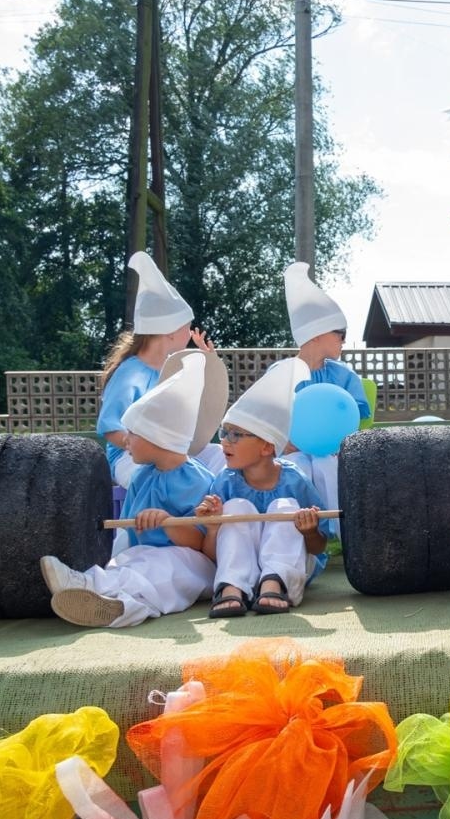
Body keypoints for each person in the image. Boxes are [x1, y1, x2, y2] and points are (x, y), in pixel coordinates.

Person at [43, 353, 216, 629]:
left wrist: (167, 523)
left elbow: (205, 546)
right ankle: (114, 603)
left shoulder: (198, 480)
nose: (125, 440)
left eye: (132, 433)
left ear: (157, 438)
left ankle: (95, 588)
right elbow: (127, 535)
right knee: (131, 562)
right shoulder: (141, 477)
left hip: (194, 565)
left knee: (163, 568)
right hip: (147, 555)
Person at [193, 359, 330, 617]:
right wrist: (212, 529)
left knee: (285, 506)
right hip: (243, 566)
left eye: (236, 435)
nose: (224, 442)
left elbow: (318, 547)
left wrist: (309, 530)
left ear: (267, 447)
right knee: (236, 507)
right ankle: (233, 586)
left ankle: (275, 582)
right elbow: (212, 553)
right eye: (224, 432)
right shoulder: (225, 481)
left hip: (292, 566)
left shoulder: (294, 480)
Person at [97, 251, 216, 487]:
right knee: (161, 476)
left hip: (175, 453)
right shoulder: (130, 374)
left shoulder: (175, 367)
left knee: (218, 457)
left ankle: (213, 520)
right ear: (170, 331)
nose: (191, 332)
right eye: (187, 326)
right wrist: (151, 449)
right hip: (131, 458)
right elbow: (110, 429)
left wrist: (209, 365)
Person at [276, 262, 368, 536]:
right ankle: (303, 534)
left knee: (327, 465)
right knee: (297, 467)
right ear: (316, 335)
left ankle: (343, 533)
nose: (343, 341)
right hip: (292, 451)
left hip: (334, 452)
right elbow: (267, 417)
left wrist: (343, 446)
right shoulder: (281, 374)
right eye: (339, 334)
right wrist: (283, 441)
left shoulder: (344, 376)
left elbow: (355, 418)